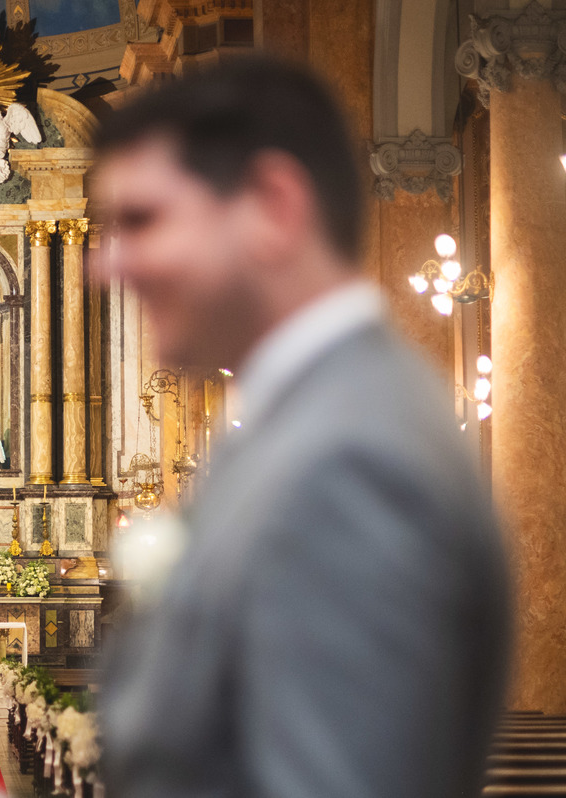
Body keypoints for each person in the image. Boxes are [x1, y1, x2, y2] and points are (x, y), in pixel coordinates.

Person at [92, 57, 510, 798]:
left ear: (273, 206)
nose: (106, 266)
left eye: (142, 221)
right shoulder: (313, 422)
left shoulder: (350, 467)